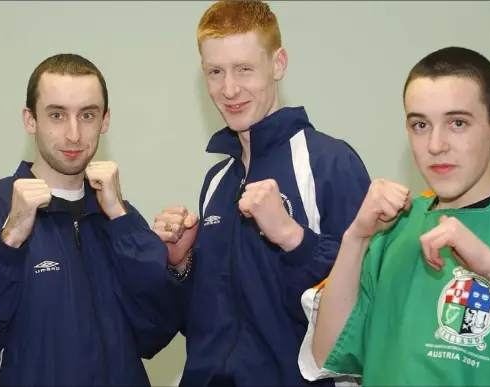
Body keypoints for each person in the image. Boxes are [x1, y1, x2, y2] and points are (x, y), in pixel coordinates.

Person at [152, 1, 372, 385]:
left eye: (244, 69)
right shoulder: (217, 180)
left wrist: (294, 239)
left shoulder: (329, 163)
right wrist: (180, 266)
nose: (229, 88)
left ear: (278, 64)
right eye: (215, 72)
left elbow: (365, 307)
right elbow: (209, 323)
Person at [298, 46, 490, 386]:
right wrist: (357, 238)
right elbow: (326, 355)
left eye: (457, 123)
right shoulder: (396, 223)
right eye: (420, 125)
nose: (436, 144)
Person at [0, 53, 181, 386]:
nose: (74, 134)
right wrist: (11, 241)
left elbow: (156, 330)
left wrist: (122, 221)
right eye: (57, 115)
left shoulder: (119, 215)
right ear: (30, 120)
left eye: (87, 115)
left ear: (105, 120)